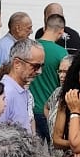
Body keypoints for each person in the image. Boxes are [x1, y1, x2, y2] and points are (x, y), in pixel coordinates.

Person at [30, 14, 70, 143]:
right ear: (61, 31)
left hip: (29, 109)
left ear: (44, 28)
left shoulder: (30, 48)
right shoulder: (61, 53)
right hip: (49, 109)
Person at [0, 39, 40, 133]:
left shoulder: (21, 90)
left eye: (42, 66)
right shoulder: (5, 92)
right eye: (35, 66)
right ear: (17, 63)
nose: (39, 71)